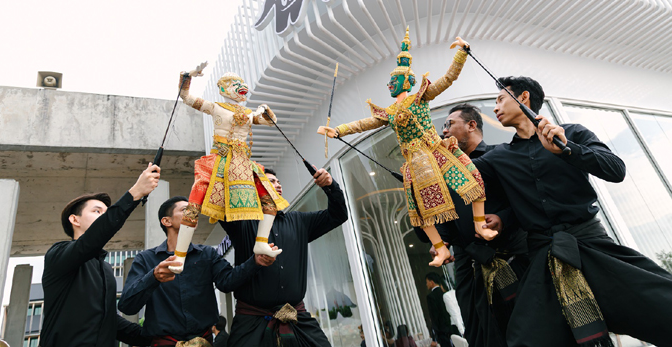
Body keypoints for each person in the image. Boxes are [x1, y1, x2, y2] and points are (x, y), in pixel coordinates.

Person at [473, 76, 672, 347]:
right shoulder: (497, 157)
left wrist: (567, 150)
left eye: (500, 99)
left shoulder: (573, 133)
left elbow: (616, 170)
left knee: (663, 304)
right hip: (542, 260)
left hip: (592, 246)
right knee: (525, 340)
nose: (495, 107)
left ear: (524, 97)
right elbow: (460, 179)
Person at [319, 29, 496, 268]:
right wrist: (338, 130)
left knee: (473, 180)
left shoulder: (421, 97)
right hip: (416, 162)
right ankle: (441, 249)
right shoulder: (389, 112)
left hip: (437, 151)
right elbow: (364, 124)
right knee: (422, 209)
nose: (390, 84)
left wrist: (462, 54)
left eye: (393, 81)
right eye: (389, 81)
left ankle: (480, 225)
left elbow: (448, 79)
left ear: (406, 81)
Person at [421, 103, 529, 347]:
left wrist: (503, 218)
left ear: (471, 125)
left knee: (523, 325)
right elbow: (446, 217)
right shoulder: (445, 174)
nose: (444, 130)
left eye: (449, 124)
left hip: (510, 255)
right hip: (467, 265)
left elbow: (525, 197)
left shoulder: (499, 154)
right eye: (443, 126)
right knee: (478, 332)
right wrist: (441, 241)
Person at [169, 64, 289, 274]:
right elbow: (185, 96)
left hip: (242, 163)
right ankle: (179, 255)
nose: (241, 87)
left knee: (269, 200)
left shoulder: (248, 113)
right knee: (193, 206)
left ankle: (261, 242)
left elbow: (269, 122)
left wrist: (266, 111)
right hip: (219, 159)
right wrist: (188, 76)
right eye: (235, 84)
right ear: (223, 88)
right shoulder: (215, 107)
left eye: (241, 84)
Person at [119, 196, 278, 346]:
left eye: (194, 210)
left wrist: (255, 261)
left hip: (204, 342)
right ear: (167, 221)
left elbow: (227, 282)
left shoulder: (207, 254)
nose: (193, 213)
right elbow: (127, 306)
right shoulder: (145, 259)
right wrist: (153, 277)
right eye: (185, 210)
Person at [222, 167, 348, 346]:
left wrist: (330, 186)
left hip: (297, 317)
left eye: (278, 181)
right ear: (255, 189)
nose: (278, 184)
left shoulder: (299, 221)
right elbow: (219, 203)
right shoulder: (241, 222)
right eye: (271, 181)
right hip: (251, 323)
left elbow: (338, 215)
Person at [40, 164, 160, 347]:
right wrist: (135, 193)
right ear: (74, 219)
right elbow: (90, 241)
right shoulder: (57, 254)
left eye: (106, 213)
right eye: (97, 211)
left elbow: (110, 321)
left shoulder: (105, 268)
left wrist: (159, 339)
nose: (104, 216)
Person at [425, 273, 453, 347]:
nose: (426, 285)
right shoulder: (445, 293)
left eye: (427, 282)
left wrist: (434, 337)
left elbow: (434, 317)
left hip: (442, 331)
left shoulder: (431, 297)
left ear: (432, 282)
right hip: (451, 327)